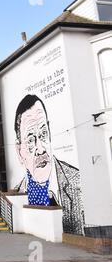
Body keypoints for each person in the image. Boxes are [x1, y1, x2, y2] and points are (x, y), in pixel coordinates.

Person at [14, 94, 84, 235]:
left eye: (43, 134)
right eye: (31, 140)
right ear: (19, 151)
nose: (41, 149)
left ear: (50, 133)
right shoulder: (17, 193)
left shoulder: (78, 183)